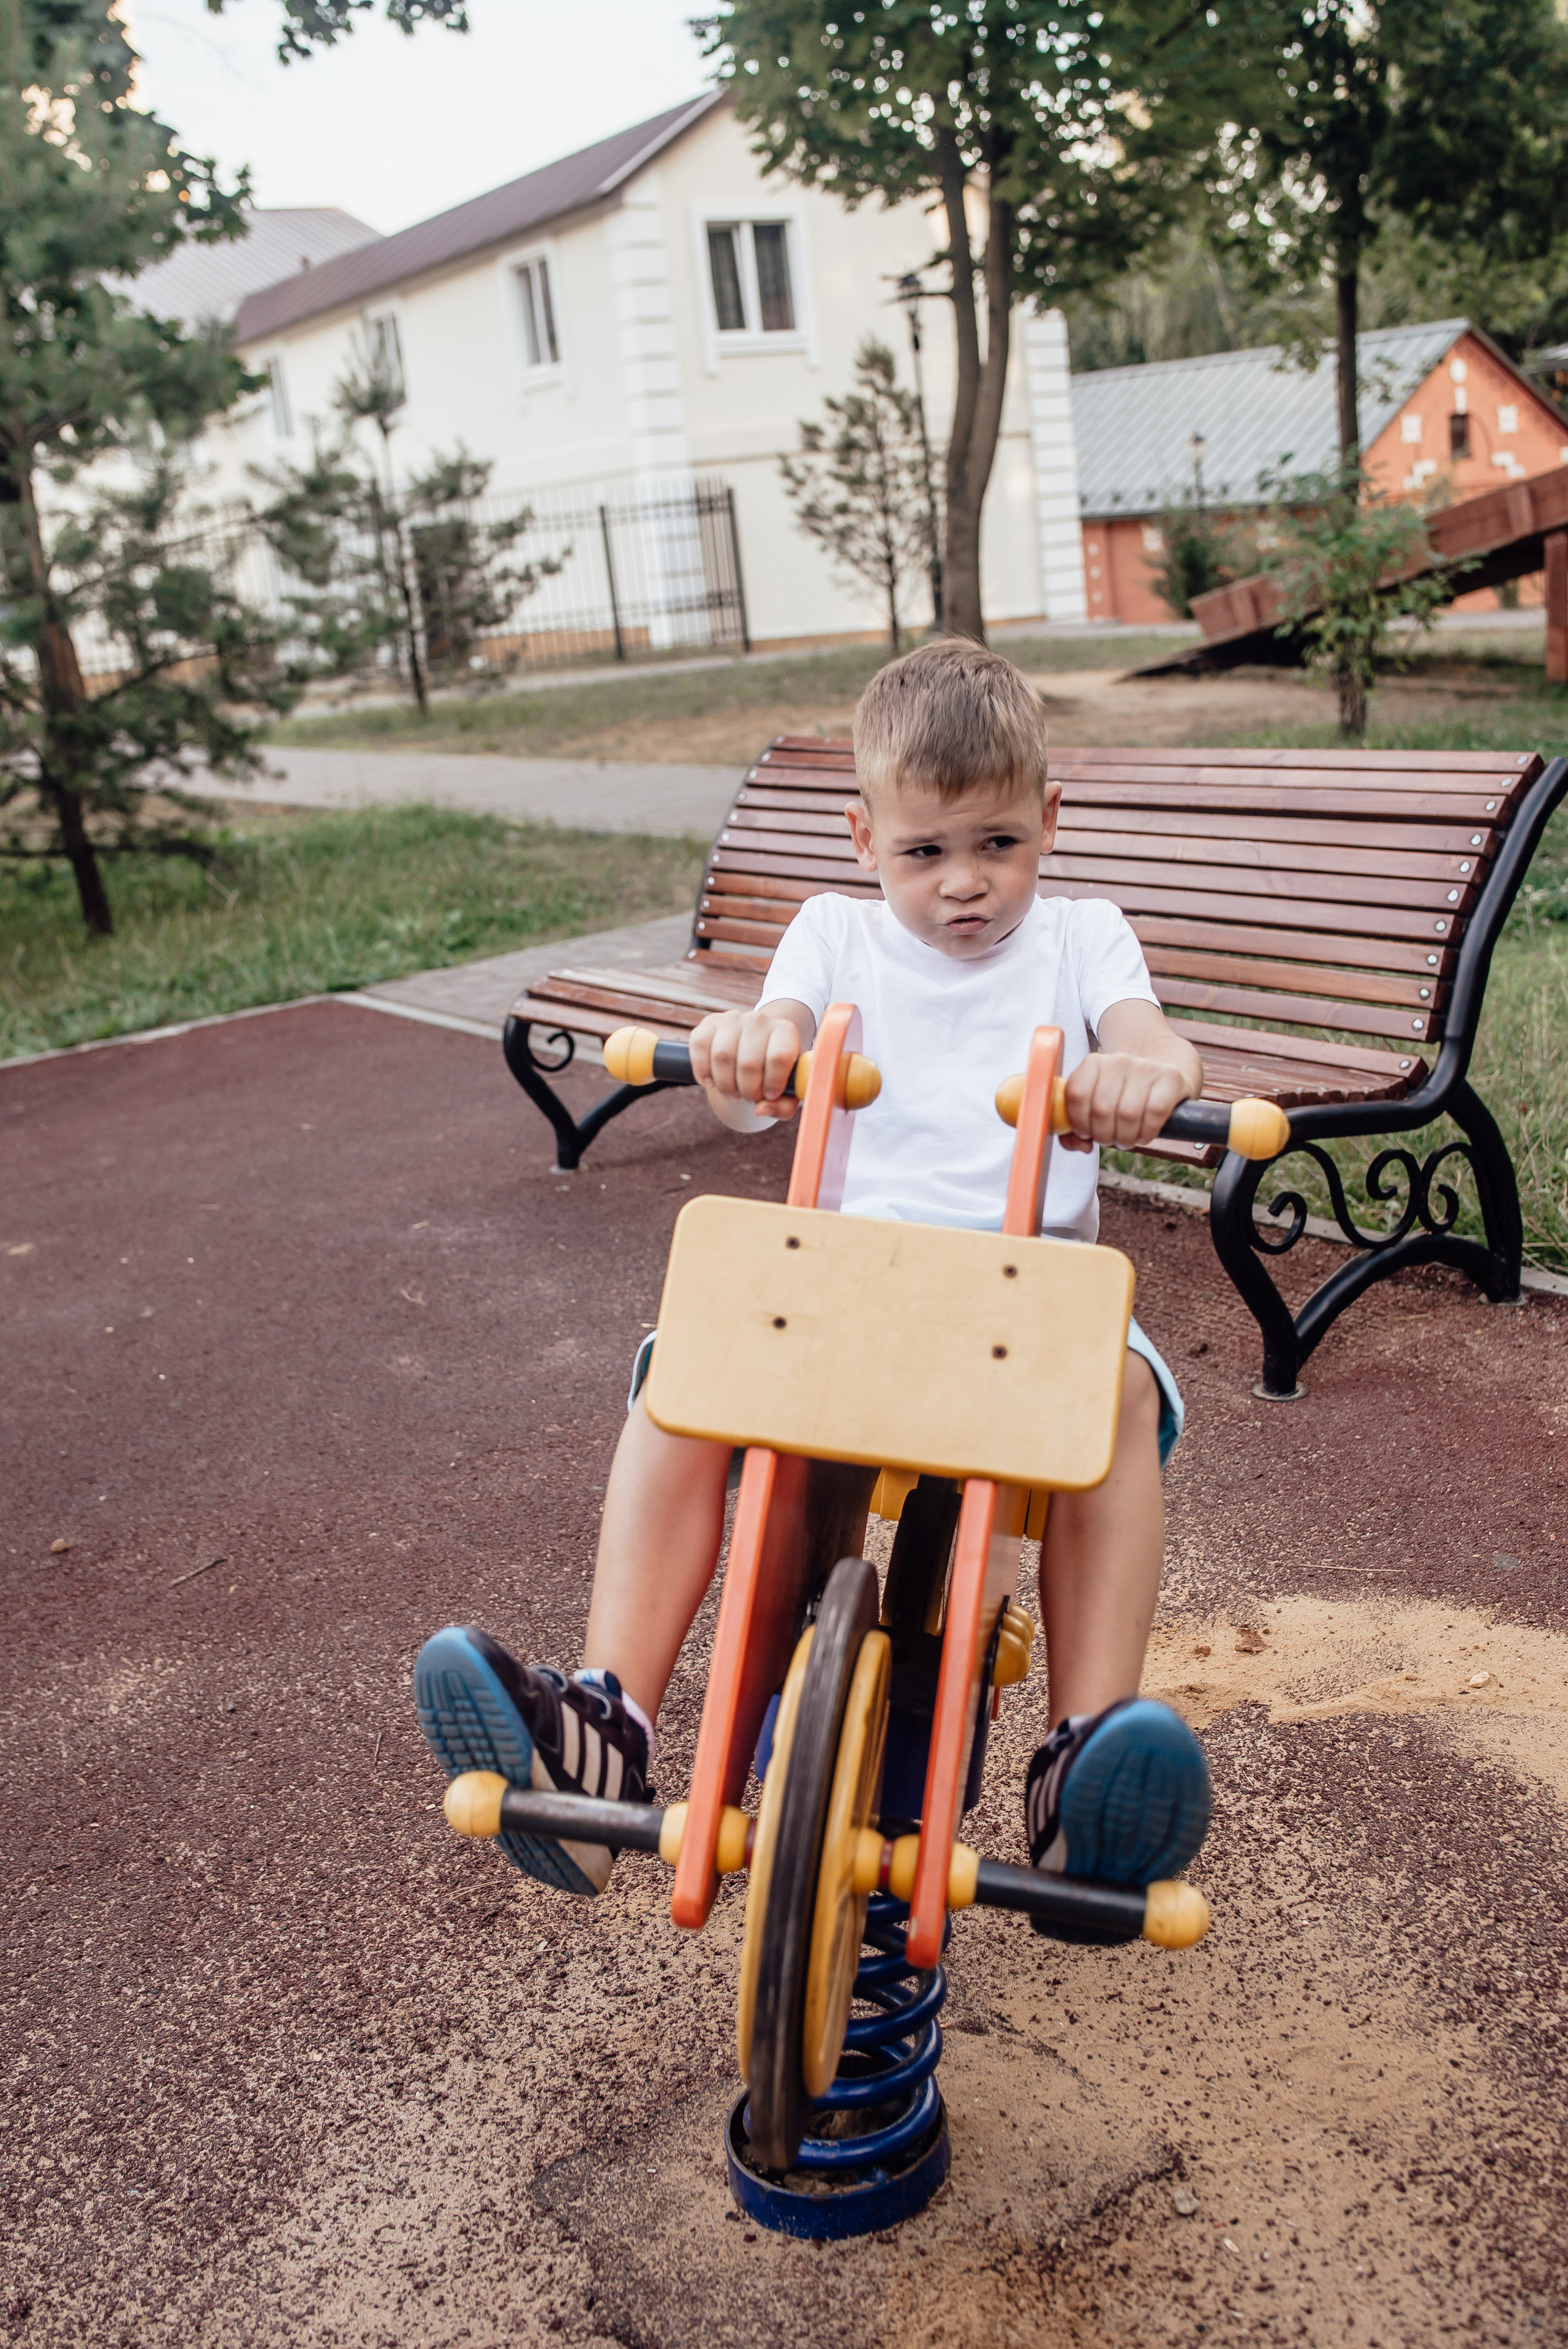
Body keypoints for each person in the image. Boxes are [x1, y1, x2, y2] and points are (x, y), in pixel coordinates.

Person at [414, 640, 1210, 1901]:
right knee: (683, 1367)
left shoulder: (1081, 938)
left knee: (1112, 1388)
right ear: (860, 837)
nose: (963, 886)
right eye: (923, 852)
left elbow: (1146, 1035)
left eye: (997, 844)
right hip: (842, 1291)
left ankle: (1080, 1758)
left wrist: (1147, 1073)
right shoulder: (832, 936)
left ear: (1049, 821)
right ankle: (603, 1730)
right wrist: (748, 1040)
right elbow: (778, 1028)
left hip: (1019, 1307)